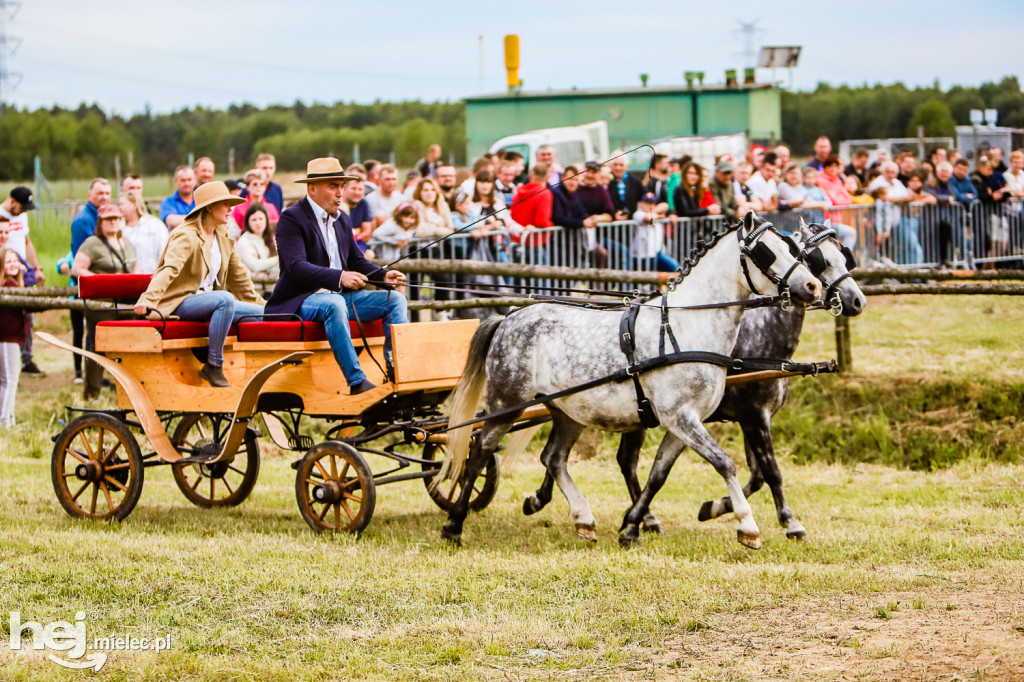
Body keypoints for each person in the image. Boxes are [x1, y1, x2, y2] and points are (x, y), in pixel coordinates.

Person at [266, 158, 408, 395]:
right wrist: (339, 277)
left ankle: (397, 369)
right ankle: (356, 381)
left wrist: (383, 276)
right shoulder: (292, 218)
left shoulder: (342, 218)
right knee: (333, 304)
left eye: (342, 186)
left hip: (341, 298)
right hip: (303, 299)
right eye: (333, 186)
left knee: (395, 300)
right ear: (312, 189)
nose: (340, 193)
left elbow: (356, 260)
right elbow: (296, 267)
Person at [135, 181, 266, 388]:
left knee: (264, 314)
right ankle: (213, 365)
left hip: (211, 302)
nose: (231, 209)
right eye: (225, 204)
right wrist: (148, 299)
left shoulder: (223, 235)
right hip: (181, 301)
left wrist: (263, 304)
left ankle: (251, 373)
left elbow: (239, 278)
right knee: (224, 299)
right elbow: (168, 270)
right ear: (210, 207)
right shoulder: (186, 235)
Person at [72, 203, 141, 399]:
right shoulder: (92, 243)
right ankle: (92, 393)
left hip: (127, 300)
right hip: (101, 302)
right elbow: (77, 269)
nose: (113, 223)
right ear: (100, 222)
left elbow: (135, 265)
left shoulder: (125, 242)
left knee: (129, 346)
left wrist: (134, 283)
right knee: (99, 346)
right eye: (109, 219)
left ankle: (129, 391)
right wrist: (102, 282)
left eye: (117, 219)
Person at [0, 186, 42, 375]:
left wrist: (36, 267)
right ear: (12, 201)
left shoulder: (22, 217)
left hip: (21, 271)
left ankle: (26, 358)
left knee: (26, 314)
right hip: (4, 271)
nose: (24, 210)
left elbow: (27, 242)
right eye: (22, 206)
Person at [551, 165, 608, 268]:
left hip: (574, 239)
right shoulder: (556, 193)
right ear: (563, 178)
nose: (573, 182)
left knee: (598, 253)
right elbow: (558, 218)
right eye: (570, 179)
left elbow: (581, 212)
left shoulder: (573, 194)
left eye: (576, 180)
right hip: (558, 242)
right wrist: (582, 223)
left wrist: (589, 219)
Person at [0, 247, 26, 426]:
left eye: (15, 260)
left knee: (4, 380)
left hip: (6, 338)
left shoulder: (11, 285)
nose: (13, 264)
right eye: (8, 261)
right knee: (11, 380)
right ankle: (5, 420)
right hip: (9, 338)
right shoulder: (10, 286)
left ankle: (8, 418)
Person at [509, 163, 554, 262]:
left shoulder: (518, 191)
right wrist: (551, 226)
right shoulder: (545, 193)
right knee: (540, 276)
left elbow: (512, 215)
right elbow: (541, 221)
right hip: (535, 242)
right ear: (547, 177)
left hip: (517, 241)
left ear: (530, 176)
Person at [119, 190, 169, 274]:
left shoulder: (154, 225)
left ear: (134, 205)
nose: (119, 207)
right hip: (128, 279)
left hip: (152, 276)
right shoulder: (119, 228)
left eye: (122, 204)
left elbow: (164, 251)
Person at [632, 192, 680, 272]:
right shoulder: (637, 214)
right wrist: (661, 216)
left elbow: (665, 205)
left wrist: (659, 215)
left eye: (652, 203)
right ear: (641, 203)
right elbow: (648, 218)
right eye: (646, 202)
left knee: (675, 267)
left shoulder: (656, 213)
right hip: (642, 255)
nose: (649, 205)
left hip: (656, 253)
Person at [230, 168, 280, 238]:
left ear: (265, 187)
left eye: (262, 184)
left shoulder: (271, 208)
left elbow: (277, 230)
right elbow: (232, 232)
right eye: (255, 184)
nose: (258, 187)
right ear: (248, 187)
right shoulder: (239, 208)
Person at [236, 202, 279, 281]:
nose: (258, 223)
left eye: (261, 219)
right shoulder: (244, 241)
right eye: (254, 220)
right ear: (248, 222)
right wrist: (277, 259)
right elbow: (255, 266)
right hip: (254, 285)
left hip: (272, 284)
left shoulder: (271, 238)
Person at [607, 155, 644, 220]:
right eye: (615, 164)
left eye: (621, 165)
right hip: (611, 222)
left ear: (627, 166)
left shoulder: (634, 180)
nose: (618, 168)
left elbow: (645, 195)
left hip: (631, 221)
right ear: (610, 166)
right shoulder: (606, 180)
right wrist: (613, 215)